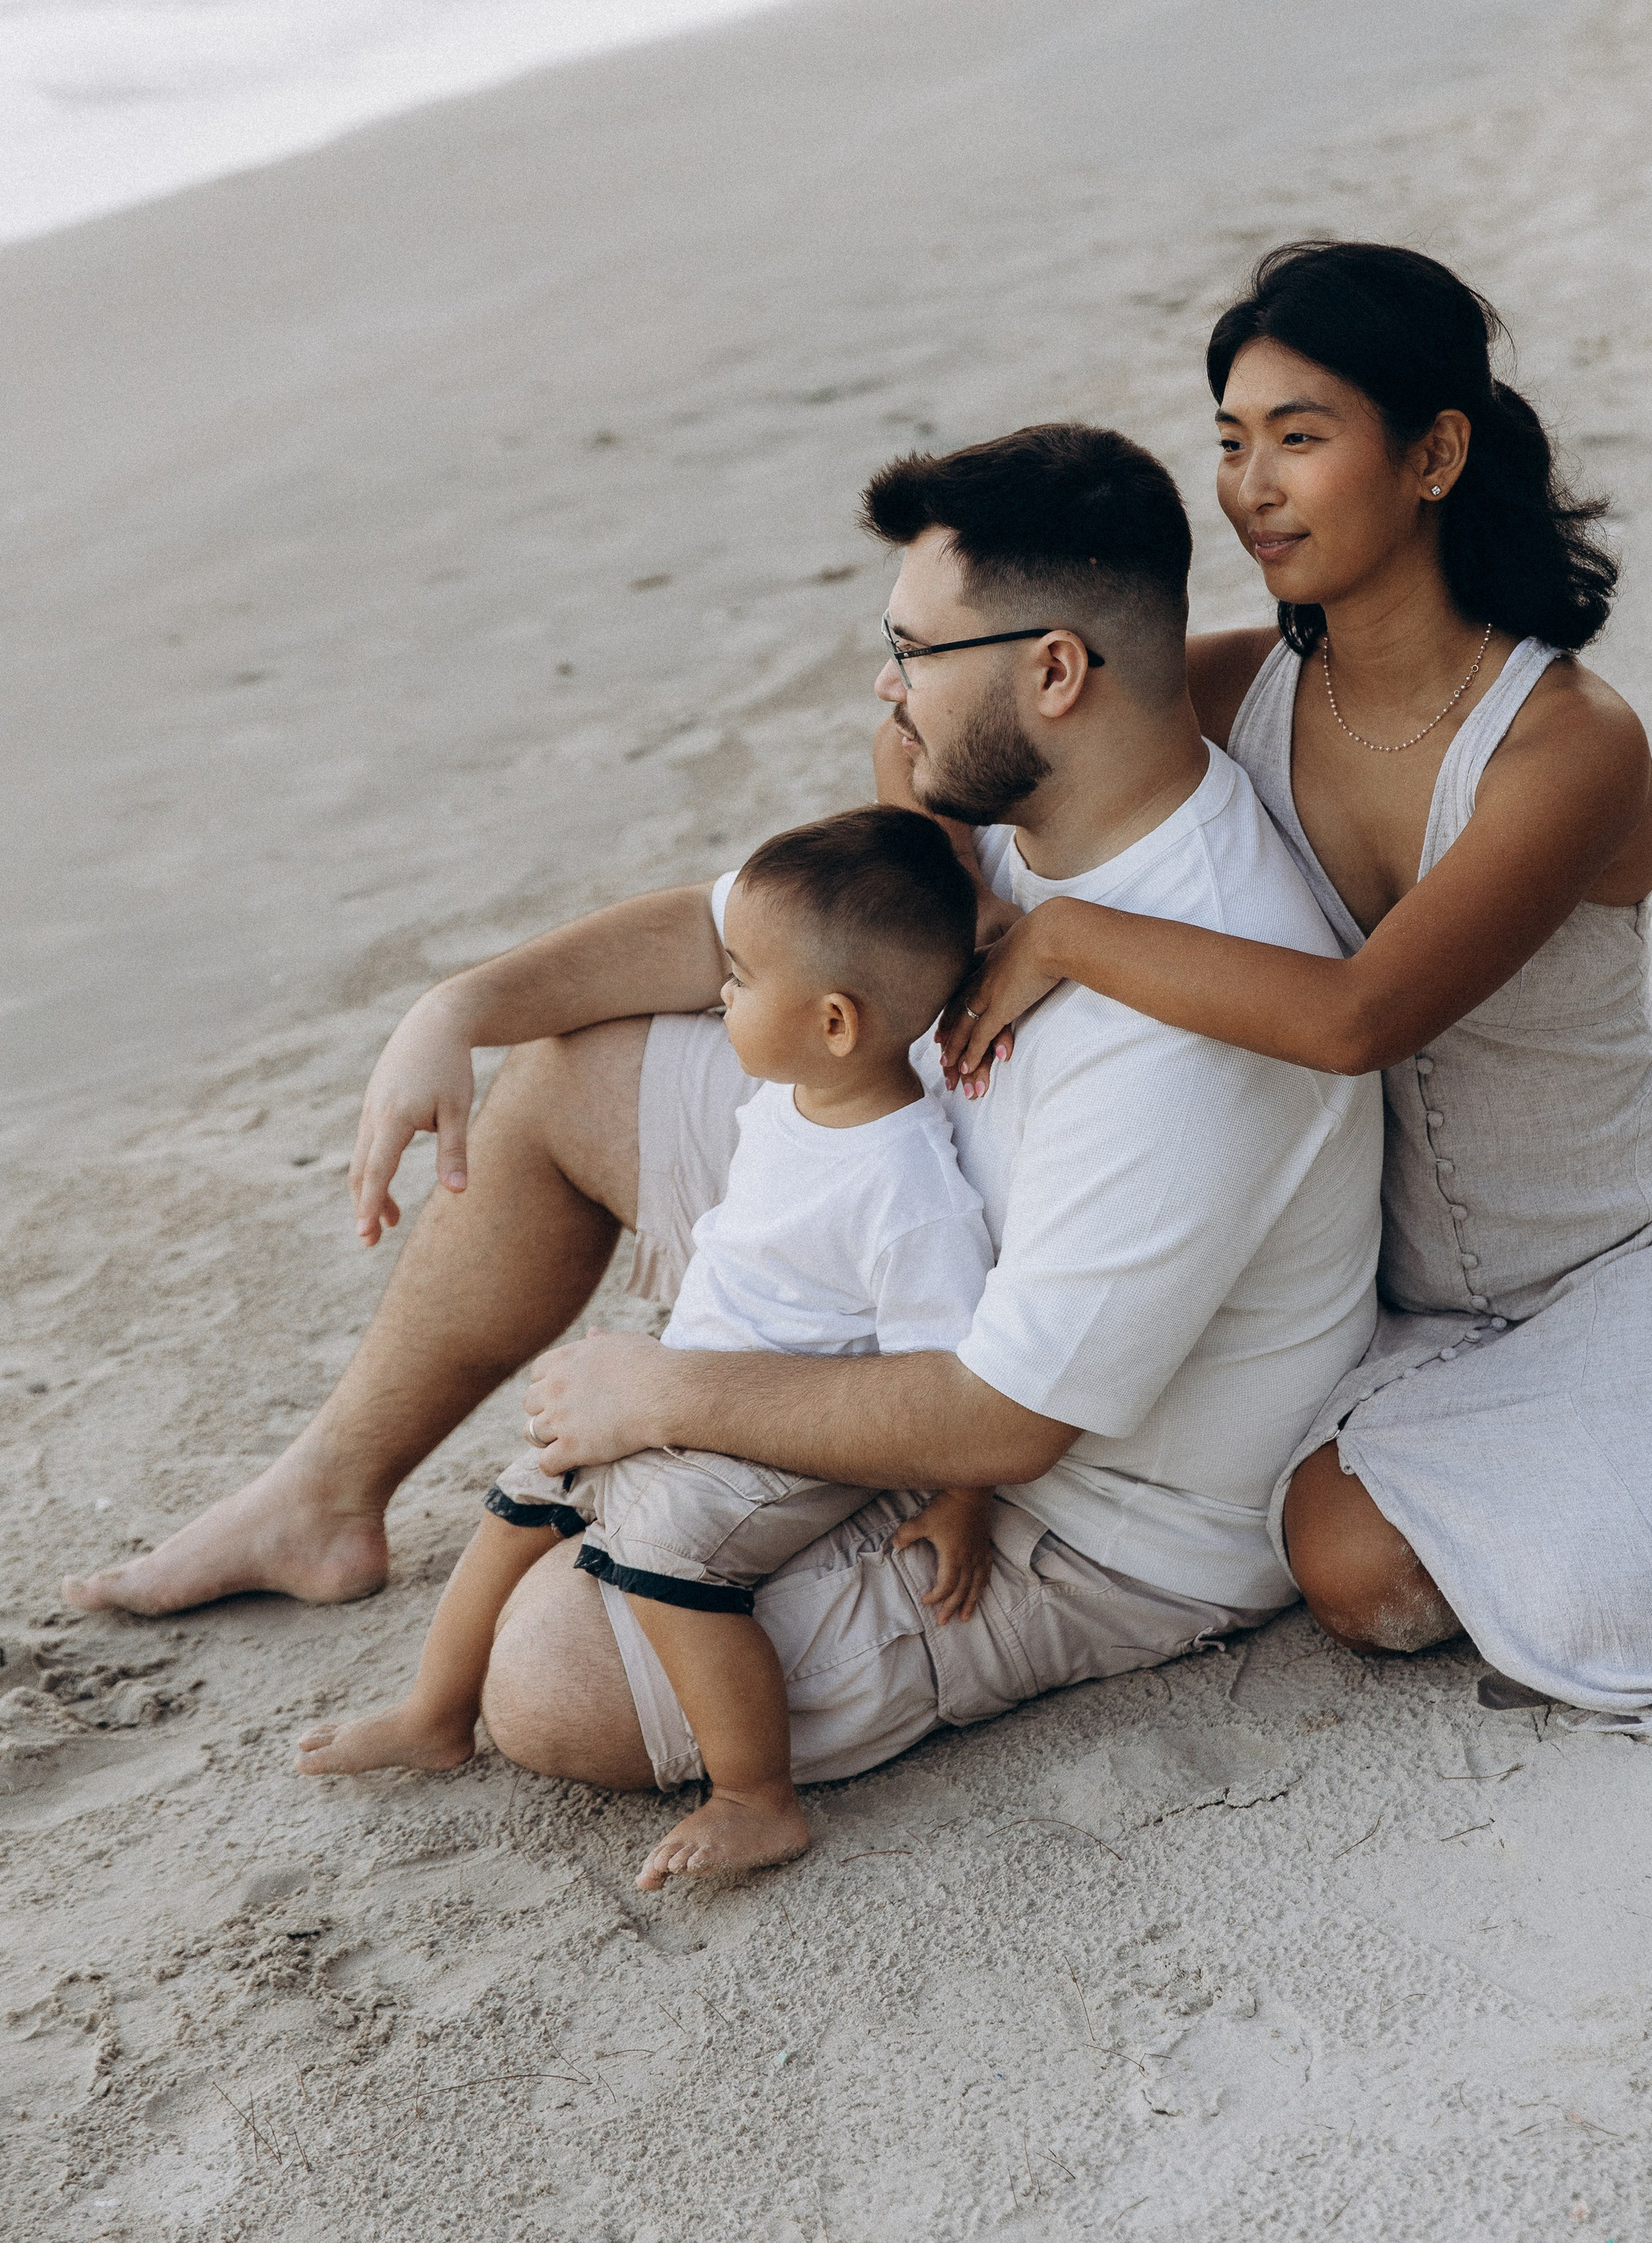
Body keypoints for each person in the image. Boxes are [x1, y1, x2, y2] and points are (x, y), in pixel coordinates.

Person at [67, 425, 1384, 1806]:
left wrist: (667, 1391)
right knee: (569, 1073)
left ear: (1054, 671)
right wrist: (455, 1007)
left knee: (552, 1681)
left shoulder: (1192, 1019)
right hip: (903, 1217)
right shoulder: (1015, 813)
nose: (887, 685)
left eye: (914, 651)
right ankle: (328, 1494)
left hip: (1086, 1506)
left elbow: (1004, 1419)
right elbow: (730, 933)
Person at [933, 242, 1652, 1745]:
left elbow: (1359, 1016)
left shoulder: (1567, 746)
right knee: (1338, 1557)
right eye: (1230, 439)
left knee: (1370, 1572)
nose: (1251, 486)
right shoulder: (1233, 686)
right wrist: (971, 876)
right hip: (1401, 1303)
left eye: (1300, 437)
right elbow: (960, 729)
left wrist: (1065, 939)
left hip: (1643, 1245)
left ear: (1436, 454)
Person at [294, 807, 998, 1883]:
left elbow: (947, 1373)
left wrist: (963, 1498)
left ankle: (756, 1794)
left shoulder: (907, 1186)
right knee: (527, 1490)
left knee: (666, 1551)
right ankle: (435, 1710)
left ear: (838, 1021)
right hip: (692, 1382)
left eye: (744, 979)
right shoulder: (793, 1091)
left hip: (790, 1434)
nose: (721, 993)